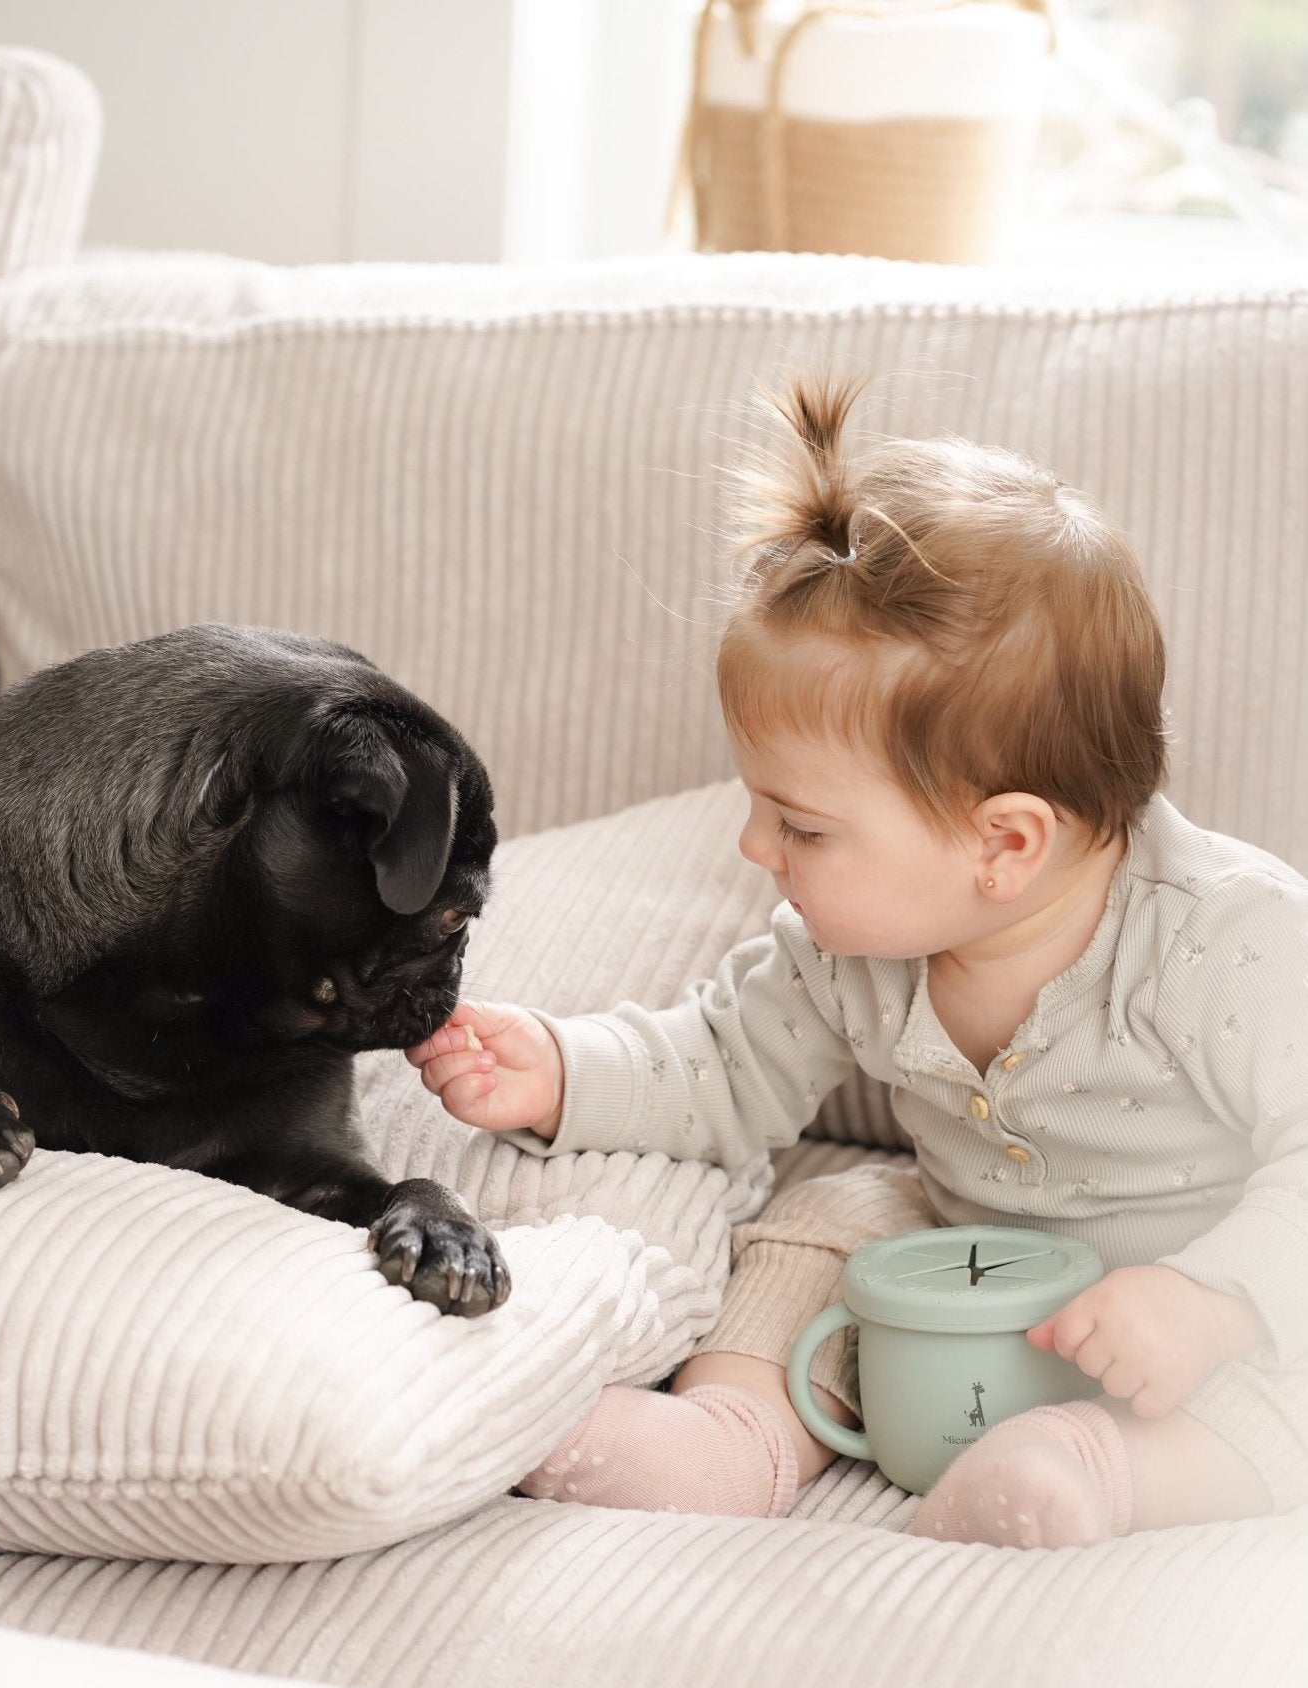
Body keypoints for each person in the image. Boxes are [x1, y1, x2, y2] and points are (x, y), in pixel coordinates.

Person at [407, 372, 1308, 1548]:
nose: (753, 845)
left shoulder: (1227, 940)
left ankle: (1092, 1465)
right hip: (966, 1261)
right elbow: (721, 1064)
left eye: (804, 825)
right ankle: (736, 1433)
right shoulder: (849, 953)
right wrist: (561, 1071)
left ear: (1004, 842)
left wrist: (1211, 1301)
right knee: (827, 1214)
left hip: (1190, 1291)